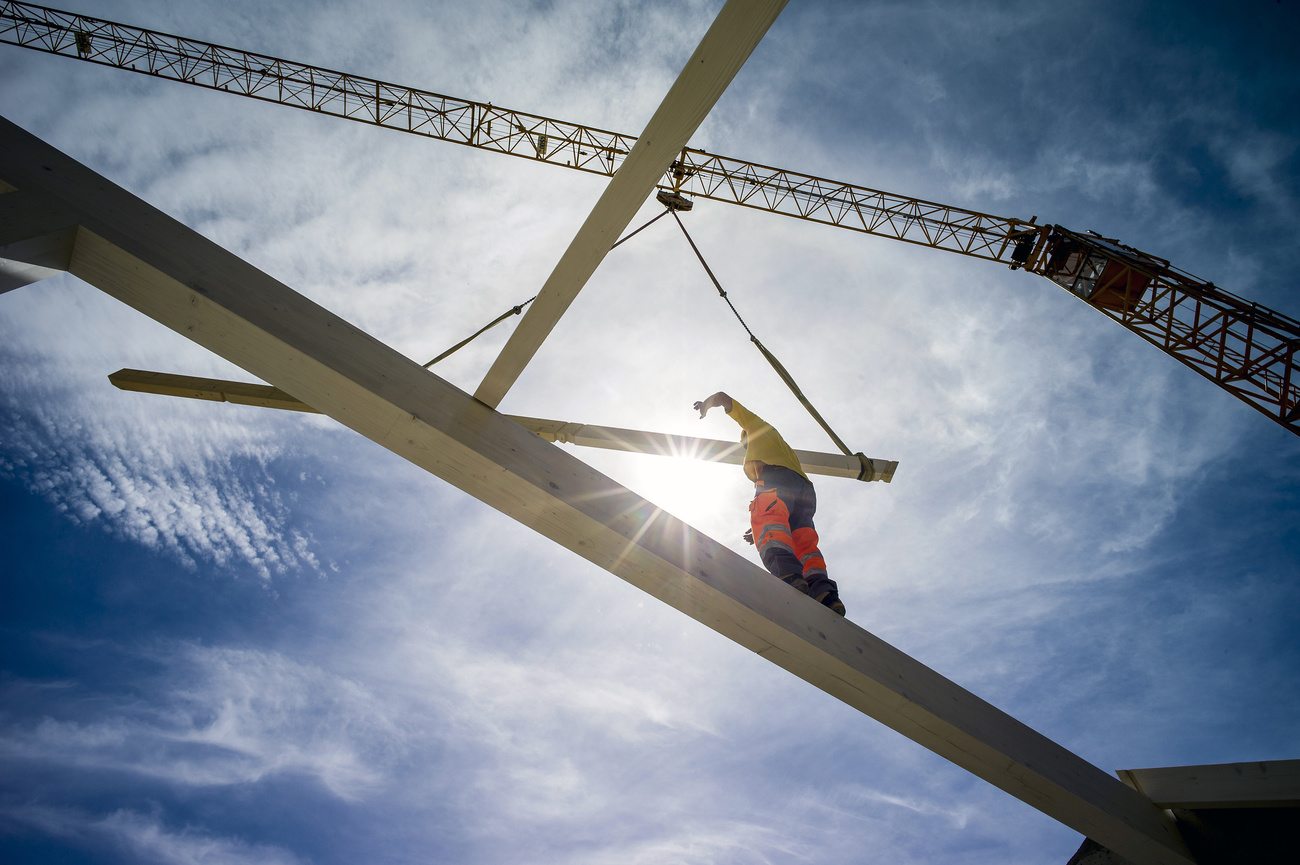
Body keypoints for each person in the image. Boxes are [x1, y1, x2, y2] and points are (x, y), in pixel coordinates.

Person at [693, 392, 845, 616]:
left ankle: (789, 574)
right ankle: (825, 593)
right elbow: (781, 508)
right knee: (804, 541)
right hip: (804, 490)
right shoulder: (782, 446)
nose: (747, 448)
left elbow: (725, 398)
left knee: (766, 521)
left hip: (776, 477)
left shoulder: (756, 427)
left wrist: (707, 404)